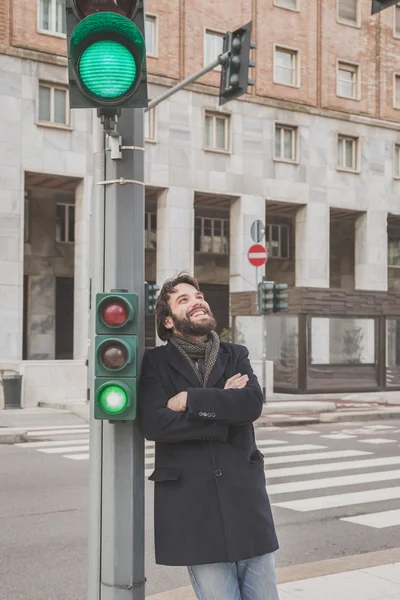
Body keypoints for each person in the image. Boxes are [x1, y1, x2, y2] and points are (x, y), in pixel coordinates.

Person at [138, 273, 280, 600]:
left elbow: (250, 404)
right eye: (183, 300)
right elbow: (155, 423)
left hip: (245, 499)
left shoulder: (235, 354)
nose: (197, 301)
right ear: (169, 321)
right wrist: (221, 413)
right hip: (192, 506)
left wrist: (190, 399)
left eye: (198, 295)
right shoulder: (155, 363)